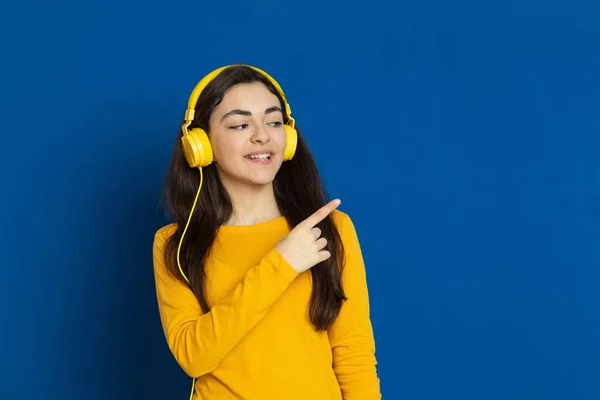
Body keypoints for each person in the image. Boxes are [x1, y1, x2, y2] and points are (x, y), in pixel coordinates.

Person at [152, 64, 381, 400]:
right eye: (240, 124)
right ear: (200, 143)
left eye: (273, 122)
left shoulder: (330, 229)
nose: (262, 135)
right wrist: (281, 263)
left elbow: (354, 355)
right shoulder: (175, 244)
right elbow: (193, 356)